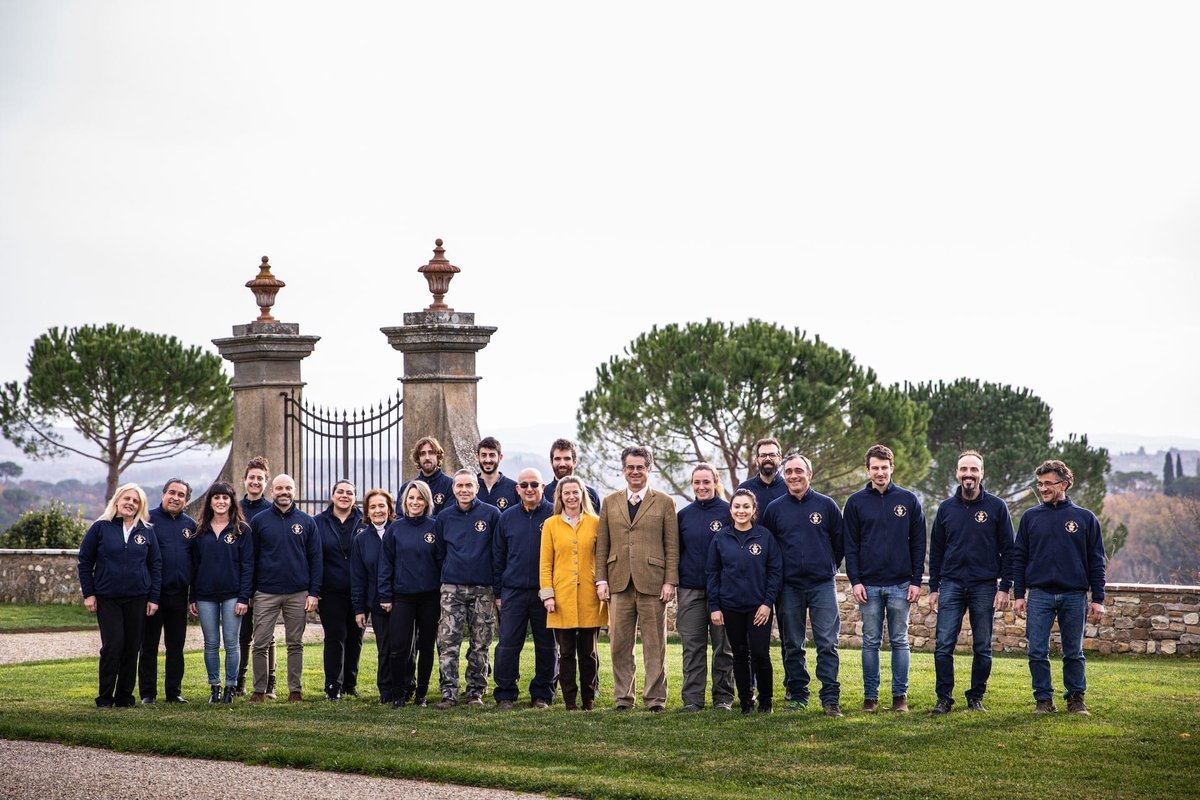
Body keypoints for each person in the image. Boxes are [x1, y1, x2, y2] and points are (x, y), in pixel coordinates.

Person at [1013, 459, 1106, 715]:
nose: (1043, 488)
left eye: (1048, 483)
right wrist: (1018, 595)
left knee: (1073, 652)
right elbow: (1018, 558)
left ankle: (1076, 699)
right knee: (1036, 651)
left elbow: (1096, 562)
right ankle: (1043, 700)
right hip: (1039, 594)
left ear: (1064, 484)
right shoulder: (1030, 517)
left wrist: (1098, 599)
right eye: (1040, 484)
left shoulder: (1085, 518)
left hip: (1074, 595)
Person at [928, 450, 1014, 714]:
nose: (969, 474)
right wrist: (934, 588)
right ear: (957, 473)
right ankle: (944, 698)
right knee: (943, 645)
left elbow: (1009, 550)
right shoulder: (945, 508)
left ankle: (976, 696)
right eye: (964, 469)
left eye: (974, 470)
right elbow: (937, 551)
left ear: (982, 473)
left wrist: (1004, 587)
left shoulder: (997, 507)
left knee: (982, 646)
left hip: (984, 586)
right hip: (951, 584)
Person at [595, 445, 679, 712]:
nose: (635, 472)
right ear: (623, 470)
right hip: (618, 581)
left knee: (655, 645)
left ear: (648, 468)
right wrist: (601, 579)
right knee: (619, 645)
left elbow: (672, 546)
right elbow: (602, 546)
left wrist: (670, 581)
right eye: (630, 467)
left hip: (653, 583)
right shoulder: (610, 502)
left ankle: (655, 699)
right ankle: (623, 698)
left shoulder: (665, 502)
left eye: (640, 467)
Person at [843, 443, 926, 713]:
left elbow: (918, 543)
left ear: (892, 468)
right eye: (875, 468)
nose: (880, 472)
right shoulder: (855, 502)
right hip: (867, 585)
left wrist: (916, 580)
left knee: (900, 640)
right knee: (870, 642)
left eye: (884, 467)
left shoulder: (908, 500)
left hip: (901, 584)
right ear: (867, 470)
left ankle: (899, 698)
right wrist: (855, 580)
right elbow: (850, 545)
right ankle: (870, 697)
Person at [761, 454, 846, 717]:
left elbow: (839, 544)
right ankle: (798, 695)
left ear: (810, 474)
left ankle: (830, 699)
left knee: (827, 644)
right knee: (792, 644)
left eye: (799, 471)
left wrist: (825, 566)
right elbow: (768, 550)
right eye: (789, 472)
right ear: (784, 476)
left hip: (822, 584)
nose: (794, 476)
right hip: (789, 588)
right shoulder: (774, 509)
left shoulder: (827, 505)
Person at [77, 483, 162, 708]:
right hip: (108, 597)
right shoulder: (100, 527)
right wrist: (89, 594)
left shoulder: (146, 530)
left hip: (138, 597)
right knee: (113, 645)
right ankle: (105, 697)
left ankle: (125, 697)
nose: (130, 504)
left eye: (135, 501)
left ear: (140, 506)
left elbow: (156, 565)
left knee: (132, 647)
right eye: (127, 499)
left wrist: (153, 597)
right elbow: (85, 561)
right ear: (117, 501)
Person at [707, 488, 782, 715]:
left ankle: (766, 701)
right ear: (731, 510)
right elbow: (712, 573)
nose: (741, 511)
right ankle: (746, 702)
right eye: (737, 506)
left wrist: (767, 603)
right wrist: (715, 606)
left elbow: (775, 571)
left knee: (760, 654)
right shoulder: (721, 538)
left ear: (753, 510)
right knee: (739, 655)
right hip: (730, 606)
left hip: (758, 607)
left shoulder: (765, 537)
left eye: (746, 506)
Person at [248, 473, 321, 703]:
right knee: (260, 642)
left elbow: (316, 559)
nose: (283, 492)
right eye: (279, 488)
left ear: (295, 491)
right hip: (266, 592)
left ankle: (295, 691)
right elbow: (252, 558)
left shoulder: (307, 522)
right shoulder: (259, 521)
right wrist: (250, 592)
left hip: (298, 592)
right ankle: (259, 691)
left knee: (295, 644)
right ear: (272, 492)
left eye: (288, 488)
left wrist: (314, 593)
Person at [433, 469, 501, 708]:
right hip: (452, 588)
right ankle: (449, 692)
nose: (464, 490)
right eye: (459, 486)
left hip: (483, 588)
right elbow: (439, 552)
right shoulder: (444, 517)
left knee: (481, 642)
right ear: (453, 489)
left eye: (468, 486)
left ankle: (475, 691)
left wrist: (496, 589)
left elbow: (497, 552)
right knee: (448, 642)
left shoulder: (491, 514)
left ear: (477, 487)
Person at [540, 476, 607, 711]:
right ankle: (570, 701)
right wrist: (547, 595)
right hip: (561, 596)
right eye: (566, 493)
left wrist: (602, 583)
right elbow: (545, 563)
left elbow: (602, 558)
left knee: (589, 652)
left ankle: (588, 699)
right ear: (560, 496)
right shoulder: (551, 524)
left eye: (575, 492)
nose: (571, 497)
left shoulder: (596, 522)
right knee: (566, 652)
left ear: (582, 494)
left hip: (590, 594)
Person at [492, 468, 557, 709]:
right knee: (508, 644)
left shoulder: (553, 515)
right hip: (513, 592)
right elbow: (498, 557)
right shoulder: (506, 517)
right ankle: (505, 693)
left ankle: (542, 693)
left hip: (545, 592)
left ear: (542, 487)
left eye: (534, 484)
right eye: (524, 485)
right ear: (517, 489)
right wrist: (499, 593)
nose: (529, 489)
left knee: (547, 645)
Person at [675, 463, 734, 712]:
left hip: (723, 592)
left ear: (715, 482)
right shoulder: (684, 515)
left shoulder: (727, 512)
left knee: (724, 647)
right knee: (692, 647)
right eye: (697, 482)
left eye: (706, 482)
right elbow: (676, 552)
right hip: (691, 590)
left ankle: (723, 698)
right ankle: (693, 699)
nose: (701, 487)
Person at [379, 481, 443, 707]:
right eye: (411, 498)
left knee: (426, 647)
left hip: (429, 598)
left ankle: (421, 695)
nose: (415, 502)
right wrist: (385, 595)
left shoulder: (435, 527)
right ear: (405, 501)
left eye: (420, 498)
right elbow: (386, 563)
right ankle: (399, 694)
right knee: (399, 648)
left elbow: (441, 562)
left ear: (427, 502)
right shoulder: (395, 529)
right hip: (402, 597)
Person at [189, 481, 253, 704]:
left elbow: (248, 566)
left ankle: (230, 687)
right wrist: (193, 597)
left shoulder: (242, 530)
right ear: (210, 502)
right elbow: (194, 567)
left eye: (225, 498)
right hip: (205, 596)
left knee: (232, 642)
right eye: (216, 497)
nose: (221, 501)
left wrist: (244, 597)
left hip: (233, 595)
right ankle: (214, 686)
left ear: (231, 501)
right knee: (211, 643)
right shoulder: (200, 531)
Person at [138, 478, 196, 704]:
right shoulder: (148, 520)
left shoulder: (190, 526)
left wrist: (193, 596)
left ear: (186, 500)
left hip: (179, 594)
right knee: (149, 646)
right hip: (153, 596)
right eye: (172, 492)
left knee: (176, 647)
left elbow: (195, 561)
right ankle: (147, 693)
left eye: (181, 495)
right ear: (163, 494)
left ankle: (174, 692)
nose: (175, 498)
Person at [315, 479, 365, 700]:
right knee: (335, 637)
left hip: (358, 591)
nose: (344, 496)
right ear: (332, 495)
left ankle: (349, 684)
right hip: (331, 591)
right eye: (340, 492)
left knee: (355, 638)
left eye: (349, 493)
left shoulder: (364, 521)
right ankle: (333, 686)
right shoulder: (318, 522)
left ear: (355, 498)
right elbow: (314, 559)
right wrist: (314, 591)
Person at [235, 456, 275, 697]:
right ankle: (239, 681)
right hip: (238, 579)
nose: (255, 481)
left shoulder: (271, 510)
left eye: (260, 478)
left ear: (266, 482)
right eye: (252, 477)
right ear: (245, 480)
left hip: (263, 581)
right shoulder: (234, 508)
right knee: (242, 634)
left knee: (265, 635)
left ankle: (270, 683)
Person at [352, 488, 394, 704]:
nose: (378, 510)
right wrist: (359, 609)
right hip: (376, 603)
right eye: (373, 507)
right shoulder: (361, 539)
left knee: (405, 647)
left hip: (402, 601)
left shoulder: (398, 531)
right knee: (384, 648)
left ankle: (406, 687)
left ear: (389, 508)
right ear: (367, 512)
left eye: (382, 506)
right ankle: (386, 691)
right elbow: (358, 577)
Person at [543, 437, 601, 513]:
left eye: (567, 459)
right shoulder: (543, 495)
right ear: (551, 462)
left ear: (574, 462)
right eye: (557, 459)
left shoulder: (590, 494)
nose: (562, 464)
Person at [736, 438, 787, 514]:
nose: (767, 459)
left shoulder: (789, 489)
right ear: (756, 461)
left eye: (772, 455)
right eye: (763, 455)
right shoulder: (744, 489)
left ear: (780, 459)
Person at [412, 435, 454, 515]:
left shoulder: (450, 486)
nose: (427, 457)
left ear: (438, 456)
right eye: (422, 454)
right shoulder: (408, 488)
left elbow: (448, 518)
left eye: (431, 453)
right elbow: (401, 519)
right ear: (418, 458)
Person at [476, 436, 519, 510]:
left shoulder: (514, 488)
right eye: (484, 455)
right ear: (477, 457)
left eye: (492, 455)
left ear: (500, 457)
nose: (488, 460)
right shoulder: (469, 487)